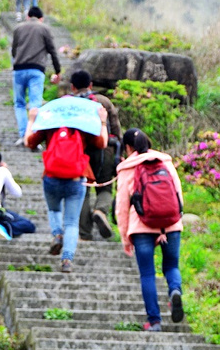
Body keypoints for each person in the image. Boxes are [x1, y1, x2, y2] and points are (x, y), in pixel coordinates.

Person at [25, 104, 108, 272]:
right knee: (71, 222)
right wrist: (103, 122)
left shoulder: (50, 124)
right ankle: (67, 260)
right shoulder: (82, 125)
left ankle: (57, 234)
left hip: (51, 177)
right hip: (76, 179)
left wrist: (31, 119)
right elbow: (102, 142)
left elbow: (29, 142)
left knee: (54, 210)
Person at [116, 128, 184, 331]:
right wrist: (175, 221)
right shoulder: (165, 162)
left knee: (147, 273)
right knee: (171, 266)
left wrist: (125, 239)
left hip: (141, 227)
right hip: (170, 224)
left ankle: (154, 321)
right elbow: (178, 194)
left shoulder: (127, 167)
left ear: (128, 147)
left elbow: (121, 208)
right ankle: (174, 291)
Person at [69, 69, 122, 242]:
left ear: (72, 86)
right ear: (90, 85)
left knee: (82, 190)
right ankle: (100, 210)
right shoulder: (103, 101)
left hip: (80, 153)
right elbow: (116, 130)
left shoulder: (70, 104)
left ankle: (85, 234)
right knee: (105, 188)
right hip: (105, 149)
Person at [11, 6, 62, 146]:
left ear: (28, 16)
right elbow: (52, 51)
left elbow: (14, 50)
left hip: (19, 69)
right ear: (41, 19)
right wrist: (58, 71)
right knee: (35, 104)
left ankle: (22, 135)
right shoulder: (44, 29)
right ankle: (32, 136)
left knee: (19, 103)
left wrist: (18, 60)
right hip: (36, 70)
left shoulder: (18, 28)